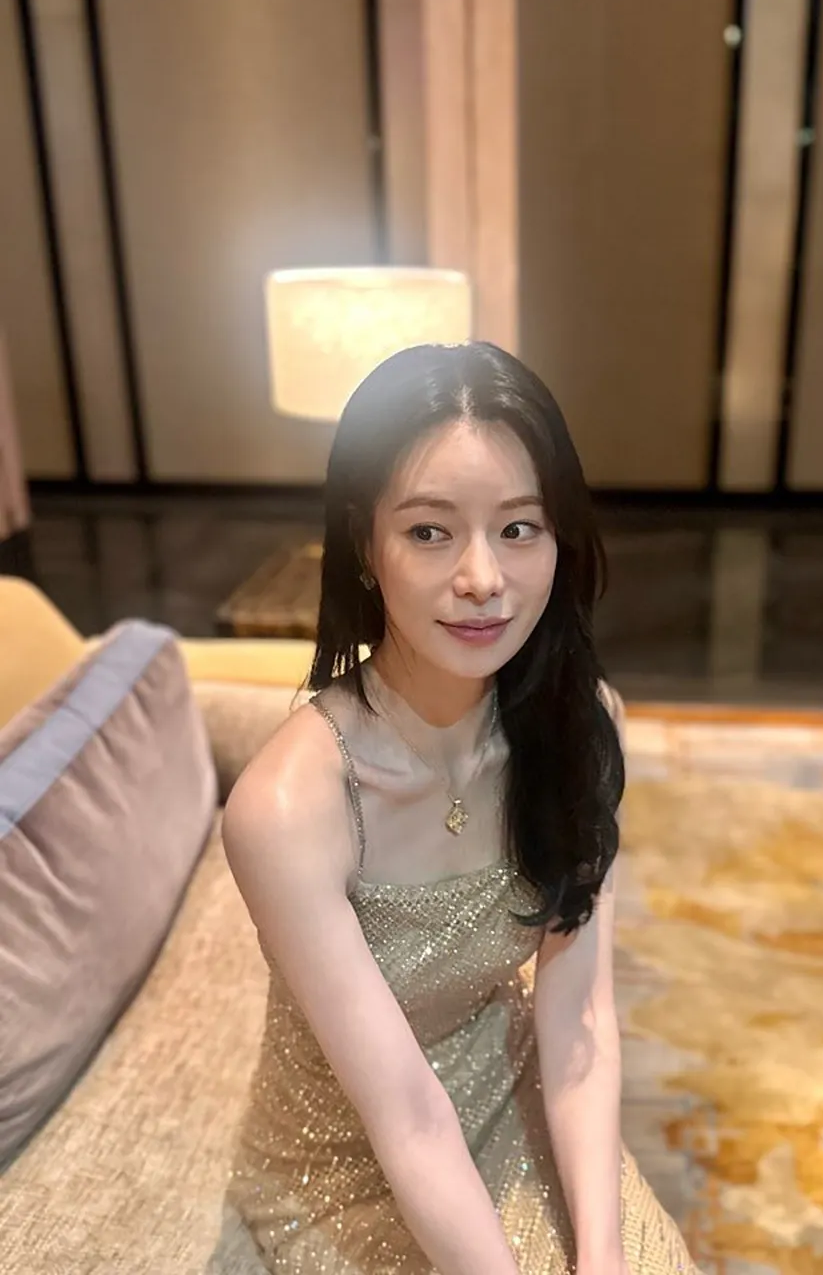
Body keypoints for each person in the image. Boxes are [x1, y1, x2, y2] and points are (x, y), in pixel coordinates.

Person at [222, 342, 700, 1274]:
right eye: (430, 532)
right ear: (366, 546)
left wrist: (602, 1255)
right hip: (346, 1153)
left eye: (519, 528)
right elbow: (405, 1115)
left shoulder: (581, 727)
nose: (483, 577)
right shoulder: (288, 806)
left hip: (506, 1074)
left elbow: (579, 1015)